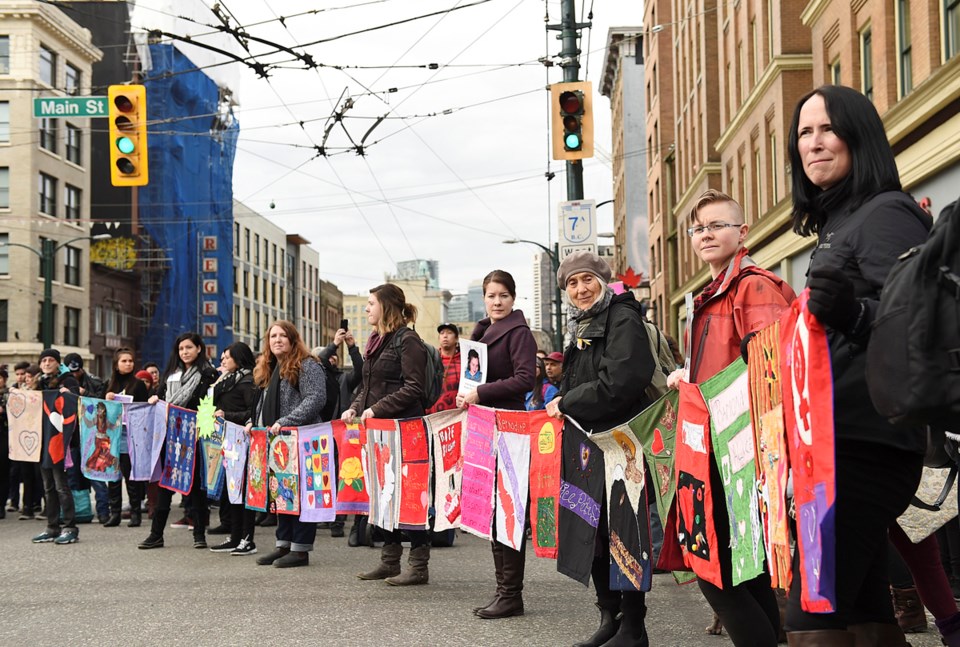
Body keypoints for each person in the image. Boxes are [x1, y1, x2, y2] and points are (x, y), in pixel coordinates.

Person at [784, 84, 931, 645]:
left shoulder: (886, 213)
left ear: (859, 135)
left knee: (809, 616)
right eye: (804, 132)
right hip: (836, 447)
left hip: (864, 447)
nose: (814, 143)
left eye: (827, 129)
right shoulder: (839, 223)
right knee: (866, 612)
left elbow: (919, 327)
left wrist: (852, 313)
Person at [665, 190, 796, 646]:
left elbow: (774, 373)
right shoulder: (714, 291)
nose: (706, 234)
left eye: (717, 225)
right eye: (699, 228)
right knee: (740, 570)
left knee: (716, 571)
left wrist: (702, 389)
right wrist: (691, 377)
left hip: (740, 452)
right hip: (718, 449)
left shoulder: (752, 286)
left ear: (742, 233)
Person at [543, 251, 657, 646]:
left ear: (603, 281)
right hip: (589, 445)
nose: (580, 289)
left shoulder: (622, 317)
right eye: (572, 284)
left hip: (621, 443)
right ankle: (609, 617)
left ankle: (633, 627)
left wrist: (568, 401)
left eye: (587, 280)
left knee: (624, 532)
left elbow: (621, 381)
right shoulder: (582, 323)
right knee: (593, 532)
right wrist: (565, 399)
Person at [457, 270, 537, 619]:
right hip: (485, 425)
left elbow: (525, 379)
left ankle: (511, 594)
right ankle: (504, 592)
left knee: (507, 511)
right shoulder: (484, 332)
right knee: (492, 513)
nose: (497, 302)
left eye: (503, 295)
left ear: (513, 298)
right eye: (491, 296)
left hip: (509, 426)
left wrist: (480, 392)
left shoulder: (518, 333)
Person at [342, 283, 432, 586]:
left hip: (406, 430)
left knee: (410, 496)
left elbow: (414, 387)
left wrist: (377, 409)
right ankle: (390, 561)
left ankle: (419, 565)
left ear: (386, 306)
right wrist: (354, 408)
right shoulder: (376, 340)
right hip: (380, 433)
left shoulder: (408, 341)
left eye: (370, 303)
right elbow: (367, 386)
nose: (366, 309)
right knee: (385, 495)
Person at [252, 321, 327, 568]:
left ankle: (301, 550)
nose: (277, 339)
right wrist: (251, 422)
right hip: (279, 441)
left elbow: (316, 399)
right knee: (282, 493)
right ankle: (283, 545)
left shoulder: (307, 365)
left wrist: (286, 421)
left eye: (283, 335)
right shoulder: (272, 367)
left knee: (303, 496)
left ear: (293, 339)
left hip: (303, 438)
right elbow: (264, 404)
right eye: (273, 335)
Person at [138, 333, 218, 550]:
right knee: (166, 485)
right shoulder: (171, 374)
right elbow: (162, 396)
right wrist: (156, 399)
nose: (185, 352)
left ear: (199, 349)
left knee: (195, 488)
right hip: (171, 437)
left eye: (189, 347)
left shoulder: (208, 374)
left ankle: (199, 535)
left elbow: (207, 405)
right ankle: (156, 535)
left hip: (195, 436)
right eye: (181, 348)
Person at [208, 342, 259, 556]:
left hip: (243, 440)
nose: (223, 361)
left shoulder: (247, 381)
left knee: (244, 491)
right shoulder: (227, 379)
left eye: (227, 357)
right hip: (227, 440)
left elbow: (252, 412)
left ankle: (248, 539)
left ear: (238, 358)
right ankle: (235, 537)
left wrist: (226, 415)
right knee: (232, 491)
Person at [31, 348, 82, 545]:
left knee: (61, 486)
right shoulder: (39, 382)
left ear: (57, 362)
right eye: (43, 360)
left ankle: (70, 527)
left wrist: (69, 395)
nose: (46, 363)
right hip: (41, 442)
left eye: (50, 360)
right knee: (48, 486)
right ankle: (52, 527)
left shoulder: (68, 380)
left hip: (59, 441)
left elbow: (76, 403)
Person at [103, 348, 149, 528]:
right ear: (116, 364)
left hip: (130, 434)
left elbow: (144, 409)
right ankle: (114, 513)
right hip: (111, 435)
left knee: (131, 476)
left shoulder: (137, 384)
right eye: (124, 361)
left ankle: (135, 512)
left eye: (130, 361)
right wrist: (106, 399)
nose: (128, 364)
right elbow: (100, 410)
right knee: (113, 477)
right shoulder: (109, 384)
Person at [427, 323, 461, 414]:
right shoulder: (431, 360)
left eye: (449, 333)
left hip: (459, 414)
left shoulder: (465, 361)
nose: (445, 336)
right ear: (439, 338)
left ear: (456, 338)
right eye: (442, 333)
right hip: (435, 416)